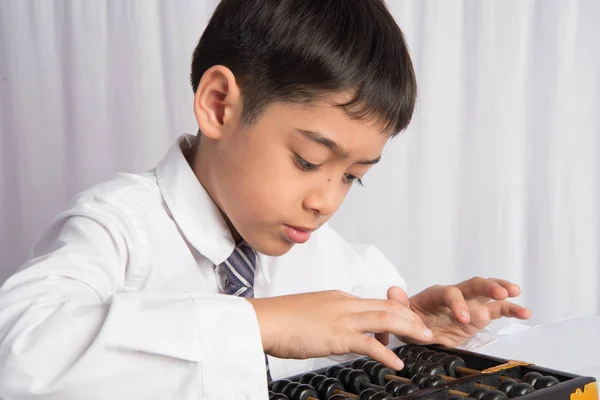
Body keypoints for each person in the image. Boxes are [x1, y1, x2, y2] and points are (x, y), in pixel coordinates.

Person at [0, 0, 531, 398]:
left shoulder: (332, 261)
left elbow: (364, 368)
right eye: (307, 160)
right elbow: (16, 356)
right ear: (218, 105)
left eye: (353, 177)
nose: (325, 201)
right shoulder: (117, 227)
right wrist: (261, 322)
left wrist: (415, 334)